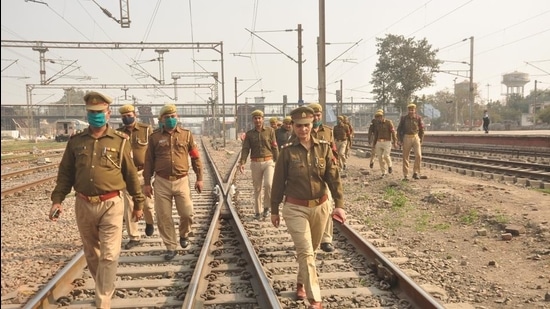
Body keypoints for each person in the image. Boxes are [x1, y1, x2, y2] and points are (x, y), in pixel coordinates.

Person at [49, 91, 145, 309]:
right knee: (92, 253)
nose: (96, 116)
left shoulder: (120, 141)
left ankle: (103, 299)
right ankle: (104, 284)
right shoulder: (75, 142)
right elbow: (65, 173)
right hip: (83, 204)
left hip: (112, 204)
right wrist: (57, 200)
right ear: (87, 114)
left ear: (108, 113)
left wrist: (138, 203)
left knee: (109, 255)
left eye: (100, 112)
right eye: (92, 112)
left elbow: (130, 175)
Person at [270, 106, 346, 309]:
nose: (303, 129)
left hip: (320, 207)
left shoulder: (324, 147)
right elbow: (278, 183)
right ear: (293, 126)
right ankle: (315, 299)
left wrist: (338, 205)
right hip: (295, 209)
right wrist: (274, 210)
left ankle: (301, 282)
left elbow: (334, 179)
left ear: (313, 125)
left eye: (306, 125)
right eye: (299, 126)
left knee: (311, 251)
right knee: (305, 251)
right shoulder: (287, 151)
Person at [143, 104, 203, 261]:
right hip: (161, 181)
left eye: (173, 116)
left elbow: (195, 157)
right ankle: (170, 246)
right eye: (167, 117)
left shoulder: (187, 135)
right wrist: (147, 182)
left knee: (187, 213)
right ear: (161, 120)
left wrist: (199, 178)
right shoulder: (154, 137)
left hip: (181, 180)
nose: (170, 119)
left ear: (177, 117)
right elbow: (148, 161)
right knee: (164, 216)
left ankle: (184, 233)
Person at [117, 104, 156, 250]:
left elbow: (152, 151)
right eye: (124, 116)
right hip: (127, 173)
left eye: (129, 114)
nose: (127, 117)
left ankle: (149, 221)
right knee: (129, 206)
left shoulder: (146, 130)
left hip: (143, 172)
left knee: (147, 204)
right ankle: (134, 236)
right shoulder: (118, 133)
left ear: (135, 115)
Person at [308, 103, 338, 253]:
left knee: (328, 204)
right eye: (313, 115)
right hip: (307, 174)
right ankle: (310, 238)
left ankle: (326, 239)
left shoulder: (328, 131)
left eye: (318, 115)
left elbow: (333, 151)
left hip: (324, 173)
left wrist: (335, 168)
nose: (316, 117)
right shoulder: (302, 130)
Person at [238, 110, 279, 219]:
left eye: (259, 118)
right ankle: (258, 211)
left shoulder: (270, 131)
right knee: (257, 188)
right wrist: (242, 162)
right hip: (255, 162)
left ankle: (266, 207)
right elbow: (245, 149)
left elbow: (274, 147)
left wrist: (278, 162)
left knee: (269, 184)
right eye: (255, 118)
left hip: (268, 161)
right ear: (253, 120)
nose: (258, 120)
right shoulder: (249, 134)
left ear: (263, 119)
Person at [397, 103, 425, 180]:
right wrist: (399, 139)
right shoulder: (404, 118)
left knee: (419, 155)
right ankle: (405, 175)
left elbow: (422, 129)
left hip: (415, 137)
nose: (411, 111)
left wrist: (420, 139)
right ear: (408, 110)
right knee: (405, 157)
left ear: (415, 110)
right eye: (410, 110)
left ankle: (415, 172)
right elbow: (399, 129)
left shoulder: (418, 118)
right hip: (406, 137)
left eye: (412, 110)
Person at [371, 110, 398, 177]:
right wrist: (374, 144)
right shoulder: (377, 125)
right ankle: (383, 172)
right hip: (379, 142)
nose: (378, 118)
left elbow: (393, 132)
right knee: (380, 158)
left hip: (387, 142)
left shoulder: (389, 123)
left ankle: (390, 166)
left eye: (379, 117)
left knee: (386, 155)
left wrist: (395, 142)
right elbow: (376, 135)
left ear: (382, 116)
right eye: (377, 117)